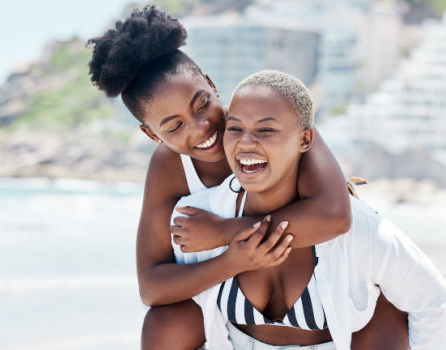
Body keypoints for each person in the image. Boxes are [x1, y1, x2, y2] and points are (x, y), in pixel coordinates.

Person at [87, 6, 408, 349]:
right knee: (163, 322)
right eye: (174, 126)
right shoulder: (169, 168)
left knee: (386, 307)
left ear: (211, 83)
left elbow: (334, 216)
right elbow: (152, 286)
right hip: (240, 321)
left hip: (328, 312)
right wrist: (233, 260)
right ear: (153, 136)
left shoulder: (269, 115)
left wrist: (223, 232)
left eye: (202, 104)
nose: (201, 127)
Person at [171, 70, 446, 349]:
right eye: (235, 128)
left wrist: (225, 233)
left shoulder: (359, 229)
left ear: (305, 140)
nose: (246, 141)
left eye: (266, 129)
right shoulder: (198, 217)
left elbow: (436, 304)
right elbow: (168, 297)